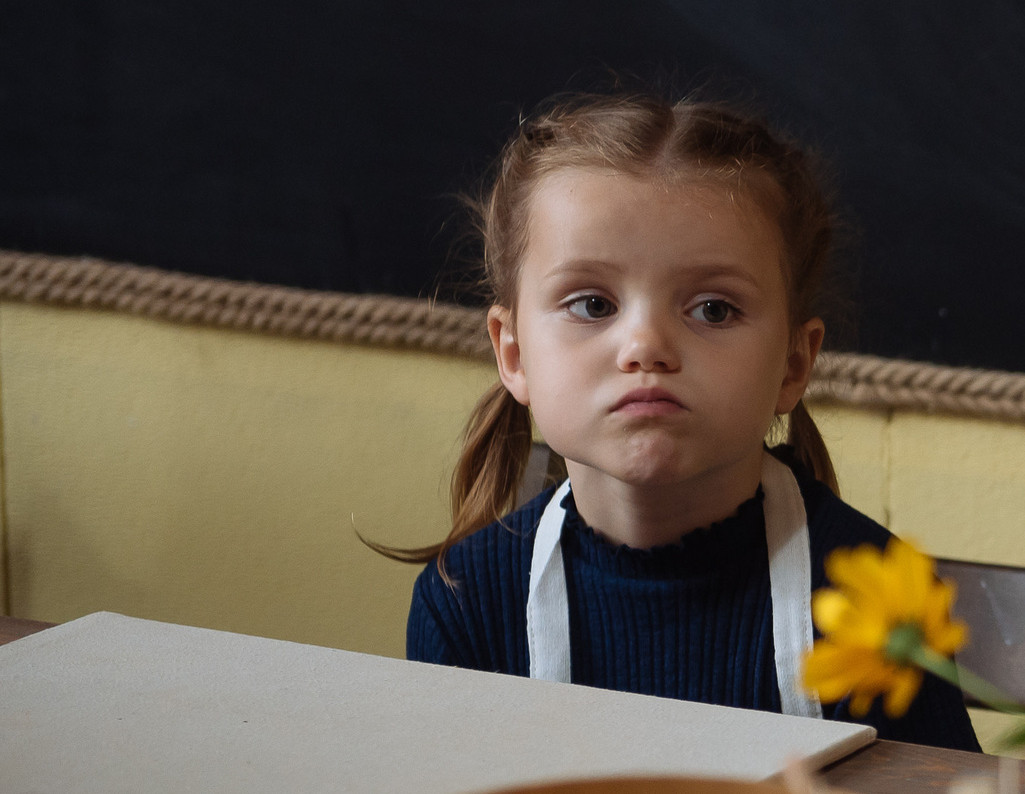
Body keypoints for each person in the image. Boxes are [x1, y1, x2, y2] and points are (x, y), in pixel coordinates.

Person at [385, 92, 976, 751]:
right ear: (514, 353)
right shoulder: (466, 605)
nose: (646, 345)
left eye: (714, 310)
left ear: (792, 364)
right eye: (591, 303)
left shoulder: (883, 606)